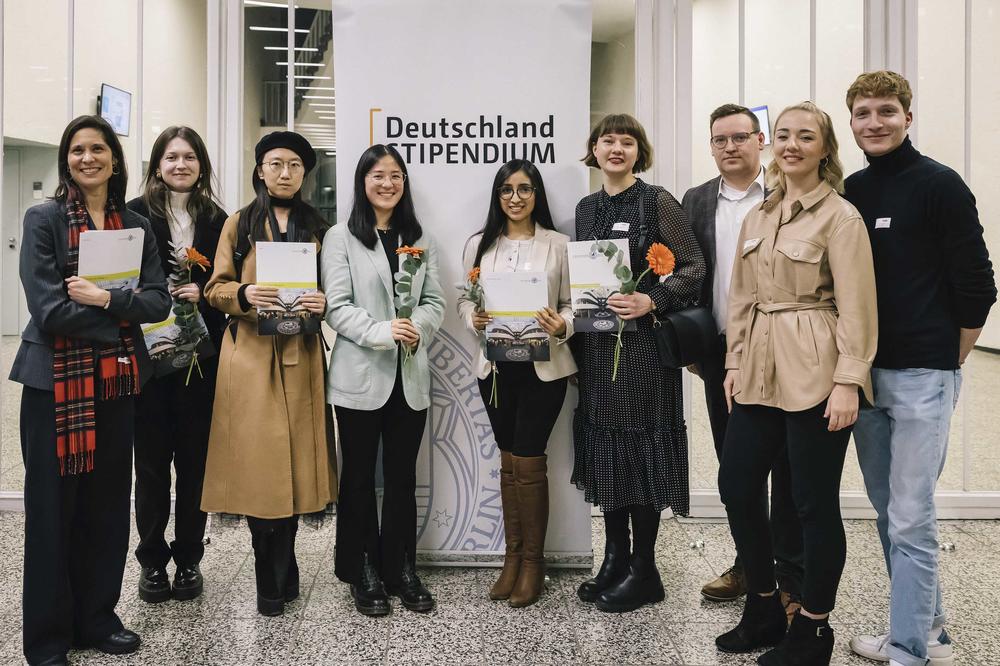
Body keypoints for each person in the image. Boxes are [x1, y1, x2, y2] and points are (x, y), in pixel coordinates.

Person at [714, 101, 877, 665]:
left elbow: (858, 307)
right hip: (757, 369)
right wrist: (733, 362)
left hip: (817, 370)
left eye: (805, 136)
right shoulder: (760, 214)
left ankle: (812, 629)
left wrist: (849, 381)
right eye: (782, 135)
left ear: (825, 148)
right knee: (737, 485)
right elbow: (741, 296)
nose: (791, 145)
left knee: (811, 503)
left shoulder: (841, 217)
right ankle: (763, 606)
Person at [843, 71, 996, 666]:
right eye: (863, 113)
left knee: (911, 518)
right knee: (891, 514)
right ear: (851, 122)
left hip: (922, 377)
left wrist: (949, 359)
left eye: (886, 111)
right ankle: (929, 631)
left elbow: (977, 285)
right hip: (865, 377)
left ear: (908, 117)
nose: (875, 122)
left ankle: (909, 651)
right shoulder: (852, 190)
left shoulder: (940, 184)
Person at [9, 114, 171, 665]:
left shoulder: (135, 226)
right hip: (54, 386)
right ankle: (48, 639)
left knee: (106, 509)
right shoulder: (44, 220)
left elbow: (157, 301)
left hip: (116, 384)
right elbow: (48, 309)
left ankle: (97, 618)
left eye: (98, 149)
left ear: (115, 159)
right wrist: (121, 319)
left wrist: (106, 300)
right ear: (66, 160)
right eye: (77, 150)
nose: (88, 158)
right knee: (53, 513)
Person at [571, 113, 706, 613]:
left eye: (626, 142)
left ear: (638, 152)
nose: (616, 149)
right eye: (607, 140)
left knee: (640, 447)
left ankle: (645, 570)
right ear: (594, 149)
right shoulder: (586, 208)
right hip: (598, 348)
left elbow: (694, 265)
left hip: (645, 350)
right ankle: (615, 557)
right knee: (608, 445)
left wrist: (654, 299)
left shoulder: (656, 201)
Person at [201, 131, 337, 617]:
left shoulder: (319, 227)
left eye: (295, 165)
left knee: (297, 462)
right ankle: (267, 570)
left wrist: (323, 302)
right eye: (275, 163)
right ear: (260, 170)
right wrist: (243, 294)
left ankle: (288, 558)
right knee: (260, 465)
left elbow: (335, 291)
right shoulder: (239, 223)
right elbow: (214, 289)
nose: (285, 172)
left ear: (304, 173)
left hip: (301, 353)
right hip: (252, 355)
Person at [682, 104, 804, 619]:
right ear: (711, 147)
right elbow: (689, 271)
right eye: (720, 140)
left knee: (787, 467)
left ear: (760, 141)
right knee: (736, 468)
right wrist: (695, 346)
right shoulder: (696, 200)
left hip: (783, 350)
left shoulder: (786, 191)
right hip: (721, 351)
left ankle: (790, 575)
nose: (729, 147)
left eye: (739, 137)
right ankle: (750, 566)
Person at [323, 144, 446, 617]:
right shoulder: (341, 237)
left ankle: (401, 569)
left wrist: (419, 327)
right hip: (360, 375)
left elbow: (434, 300)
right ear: (363, 182)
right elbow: (336, 306)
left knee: (401, 478)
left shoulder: (419, 237)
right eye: (377, 175)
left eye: (395, 175)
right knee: (357, 478)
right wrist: (383, 331)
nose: (387, 183)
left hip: (409, 375)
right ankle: (363, 569)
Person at [457, 159, 577, 607]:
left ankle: (533, 563)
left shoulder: (559, 245)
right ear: (498, 196)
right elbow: (463, 298)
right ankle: (512, 559)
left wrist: (562, 324)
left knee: (528, 459)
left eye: (524, 189)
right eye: (506, 190)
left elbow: (573, 303)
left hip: (544, 369)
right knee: (509, 460)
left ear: (536, 194)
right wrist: (472, 317)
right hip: (496, 370)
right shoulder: (478, 245)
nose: (515, 197)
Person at [126, 126, 228, 604]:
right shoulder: (132, 215)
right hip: (149, 361)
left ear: (201, 165)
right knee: (149, 467)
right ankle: (151, 561)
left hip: (201, 363)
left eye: (189, 157)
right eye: (171, 157)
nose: (180, 165)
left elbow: (229, 285)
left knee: (194, 465)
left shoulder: (219, 220)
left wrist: (202, 294)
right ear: (157, 165)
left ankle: (189, 558)